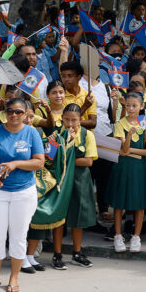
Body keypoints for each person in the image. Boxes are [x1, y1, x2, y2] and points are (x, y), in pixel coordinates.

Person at [0, 98, 45, 292]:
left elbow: (39, 162)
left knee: (18, 236)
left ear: (25, 114)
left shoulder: (31, 133)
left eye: (18, 112)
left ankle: (14, 277)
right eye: (10, 111)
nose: (14, 115)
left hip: (24, 192)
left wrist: (15, 164)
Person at [51, 104, 97, 269]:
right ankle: (57, 254)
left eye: (74, 120)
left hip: (80, 181)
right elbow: (51, 158)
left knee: (78, 218)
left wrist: (66, 157)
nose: (70, 124)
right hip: (62, 181)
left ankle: (77, 252)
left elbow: (88, 161)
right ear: (61, 118)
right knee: (59, 218)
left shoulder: (87, 135)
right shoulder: (57, 135)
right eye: (67, 119)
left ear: (81, 120)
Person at [108, 92, 146, 252]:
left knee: (139, 202)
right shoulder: (121, 123)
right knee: (119, 202)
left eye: (134, 105)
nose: (131, 108)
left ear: (142, 106)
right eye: (127, 105)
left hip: (139, 168)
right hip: (123, 167)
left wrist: (131, 151)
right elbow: (123, 148)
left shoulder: (145, 124)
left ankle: (136, 236)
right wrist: (129, 136)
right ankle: (118, 235)